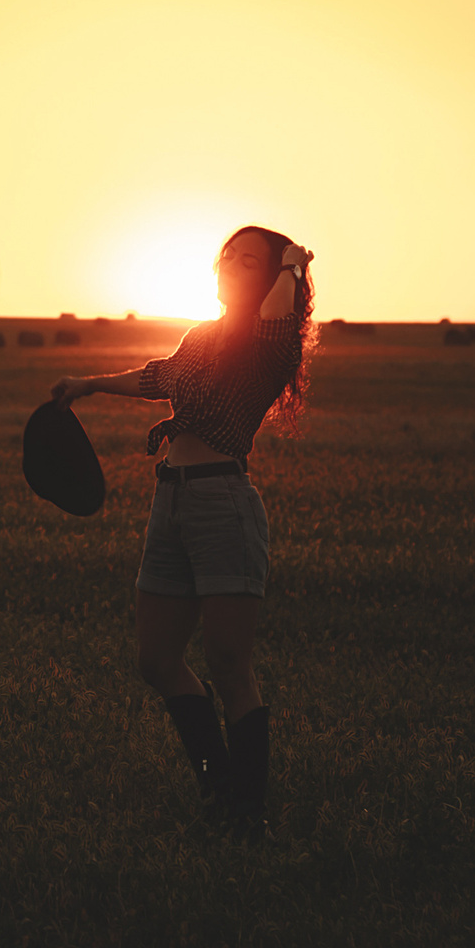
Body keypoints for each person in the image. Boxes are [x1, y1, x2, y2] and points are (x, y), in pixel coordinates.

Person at [50, 226, 315, 836]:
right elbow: (157, 377)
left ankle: (246, 813)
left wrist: (294, 267)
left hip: (223, 502)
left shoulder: (268, 346)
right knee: (157, 659)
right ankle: (217, 785)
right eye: (228, 257)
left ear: (273, 277)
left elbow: (279, 316)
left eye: (251, 262)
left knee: (228, 663)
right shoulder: (203, 337)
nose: (231, 267)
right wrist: (88, 385)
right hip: (169, 502)